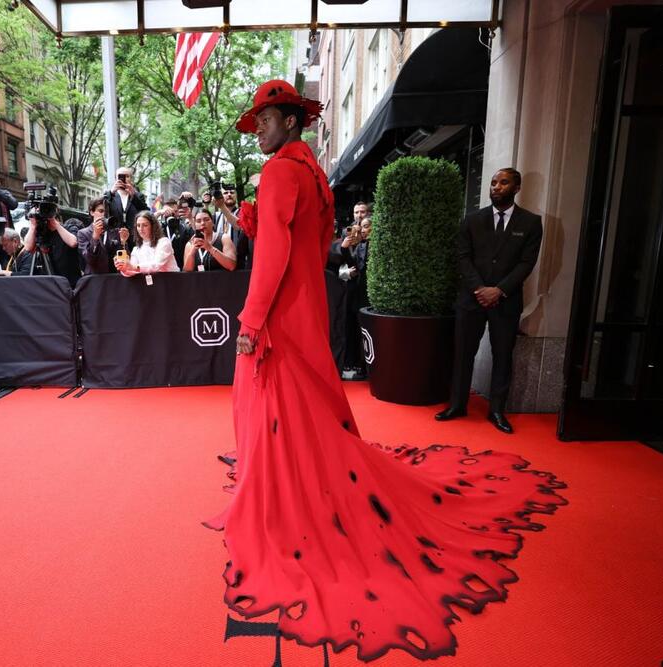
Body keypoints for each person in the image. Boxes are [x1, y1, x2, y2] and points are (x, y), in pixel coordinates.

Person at [205, 80, 566, 662]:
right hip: (307, 315)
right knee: (305, 415)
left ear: (291, 121)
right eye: (259, 121)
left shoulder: (279, 174)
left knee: (277, 408)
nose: (260, 130)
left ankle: (285, 500)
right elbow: (307, 247)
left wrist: (250, 321)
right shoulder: (314, 176)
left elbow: (273, 258)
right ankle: (297, 485)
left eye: (267, 119)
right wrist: (251, 221)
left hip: (278, 319)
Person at [435, 168, 544, 434]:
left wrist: (499, 290)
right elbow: (463, 258)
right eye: (493, 183)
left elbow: (526, 263)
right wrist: (480, 289)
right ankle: (457, 405)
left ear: (516, 187)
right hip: (471, 300)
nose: (496, 187)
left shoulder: (530, 223)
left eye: (503, 182)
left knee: (502, 356)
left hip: (506, 302)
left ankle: (497, 410)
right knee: (463, 354)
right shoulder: (472, 220)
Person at [21, 207, 81, 286]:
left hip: (70, 283)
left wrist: (54, 223)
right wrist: (33, 225)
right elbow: (28, 248)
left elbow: (73, 242)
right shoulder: (41, 233)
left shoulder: (69, 228)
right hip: (50, 286)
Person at [77, 197, 131, 275]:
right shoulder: (83, 233)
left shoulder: (115, 231)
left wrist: (123, 242)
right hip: (94, 280)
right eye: (101, 211)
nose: (104, 215)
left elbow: (125, 259)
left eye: (107, 213)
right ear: (92, 212)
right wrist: (95, 237)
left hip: (113, 279)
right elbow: (89, 259)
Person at [115, 211, 178, 276]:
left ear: (153, 226)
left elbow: (156, 265)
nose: (141, 229)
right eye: (138, 225)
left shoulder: (164, 242)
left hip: (169, 283)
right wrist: (123, 267)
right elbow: (132, 271)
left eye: (145, 225)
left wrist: (133, 267)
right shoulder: (136, 249)